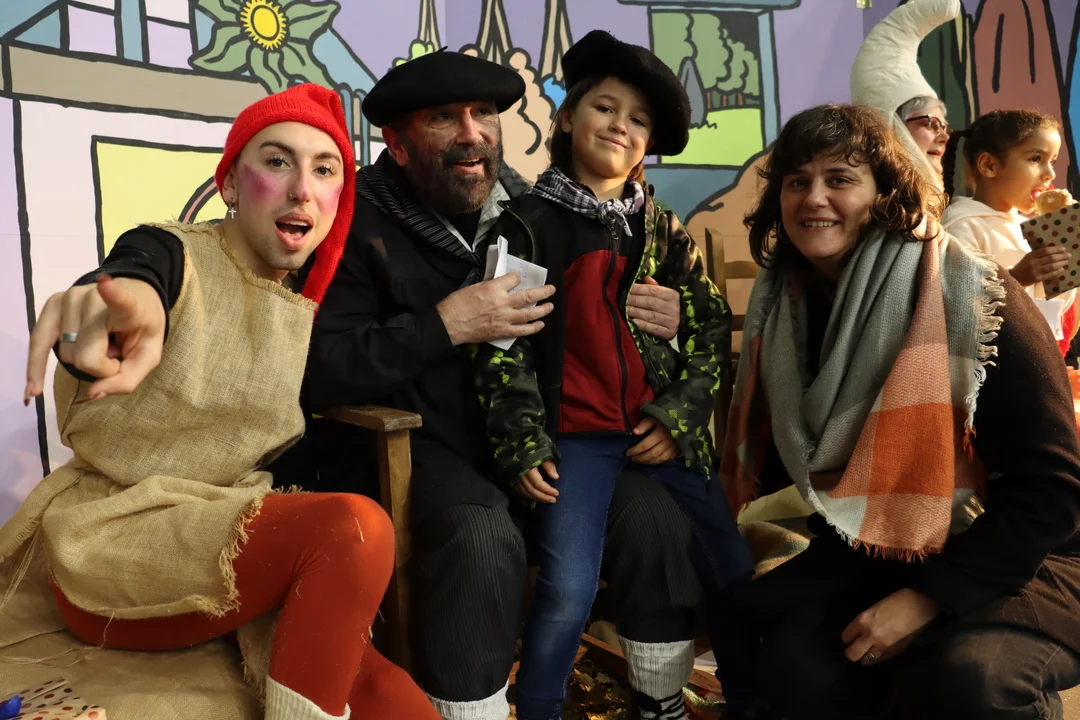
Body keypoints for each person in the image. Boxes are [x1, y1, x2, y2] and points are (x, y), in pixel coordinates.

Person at [0, 84, 439, 720]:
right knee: (354, 529)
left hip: (228, 534)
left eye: (325, 170)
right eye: (277, 161)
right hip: (119, 539)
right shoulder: (173, 252)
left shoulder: (302, 303)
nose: (302, 189)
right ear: (230, 182)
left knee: (397, 703)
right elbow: (132, 281)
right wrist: (101, 316)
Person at [302, 49, 705, 720]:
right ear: (396, 144)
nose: (472, 134)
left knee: (654, 517)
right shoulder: (352, 222)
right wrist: (444, 325)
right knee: (482, 541)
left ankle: (658, 702)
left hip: (543, 443)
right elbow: (322, 368)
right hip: (416, 451)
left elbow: (604, 326)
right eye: (443, 118)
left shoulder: (536, 209)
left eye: (483, 114)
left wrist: (665, 316)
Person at [724, 103, 1080, 720]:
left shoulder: (974, 295)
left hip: (1028, 555)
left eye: (840, 178)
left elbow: (1050, 491)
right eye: (797, 180)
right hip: (883, 549)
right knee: (789, 663)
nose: (814, 198)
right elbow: (794, 468)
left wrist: (926, 600)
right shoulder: (788, 306)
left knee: (968, 680)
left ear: (885, 195)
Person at [472, 30, 754, 720]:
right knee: (567, 588)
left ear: (648, 144)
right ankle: (539, 707)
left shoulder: (662, 231)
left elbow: (710, 329)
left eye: (638, 120)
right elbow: (501, 349)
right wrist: (523, 443)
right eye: (604, 107)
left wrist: (678, 416)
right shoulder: (524, 227)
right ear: (570, 116)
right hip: (575, 441)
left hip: (657, 434)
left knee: (732, 568)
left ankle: (754, 697)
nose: (619, 126)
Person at [941, 109, 1077, 355]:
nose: (1050, 174)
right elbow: (956, 309)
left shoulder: (1029, 227)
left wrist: (1066, 260)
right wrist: (1017, 278)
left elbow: (1048, 313)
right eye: (1035, 159)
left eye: (1053, 161)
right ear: (989, 165)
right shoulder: (960, 226)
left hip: (1032, 355)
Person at [850, 0, 959, 186]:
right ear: (892, 127)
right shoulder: (873, 201)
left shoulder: (931, 200)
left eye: (944, 127)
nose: (944, 137)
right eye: (930, 123)